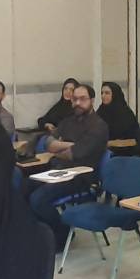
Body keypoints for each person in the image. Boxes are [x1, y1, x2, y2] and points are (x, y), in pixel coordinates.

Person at [28, 81, 109, 248]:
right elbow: (48, 144)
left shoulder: (99, 126)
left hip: (81, 176)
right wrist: (70, 145)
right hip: (58, 170)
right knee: (22, 188)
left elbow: (73, 154)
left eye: (82, 99)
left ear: (92, 100)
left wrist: (60, 148)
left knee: (38, 199)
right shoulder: (68, 121)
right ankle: (39, 233)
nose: (77, 103)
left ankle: (61, 233)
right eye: (74, 99)